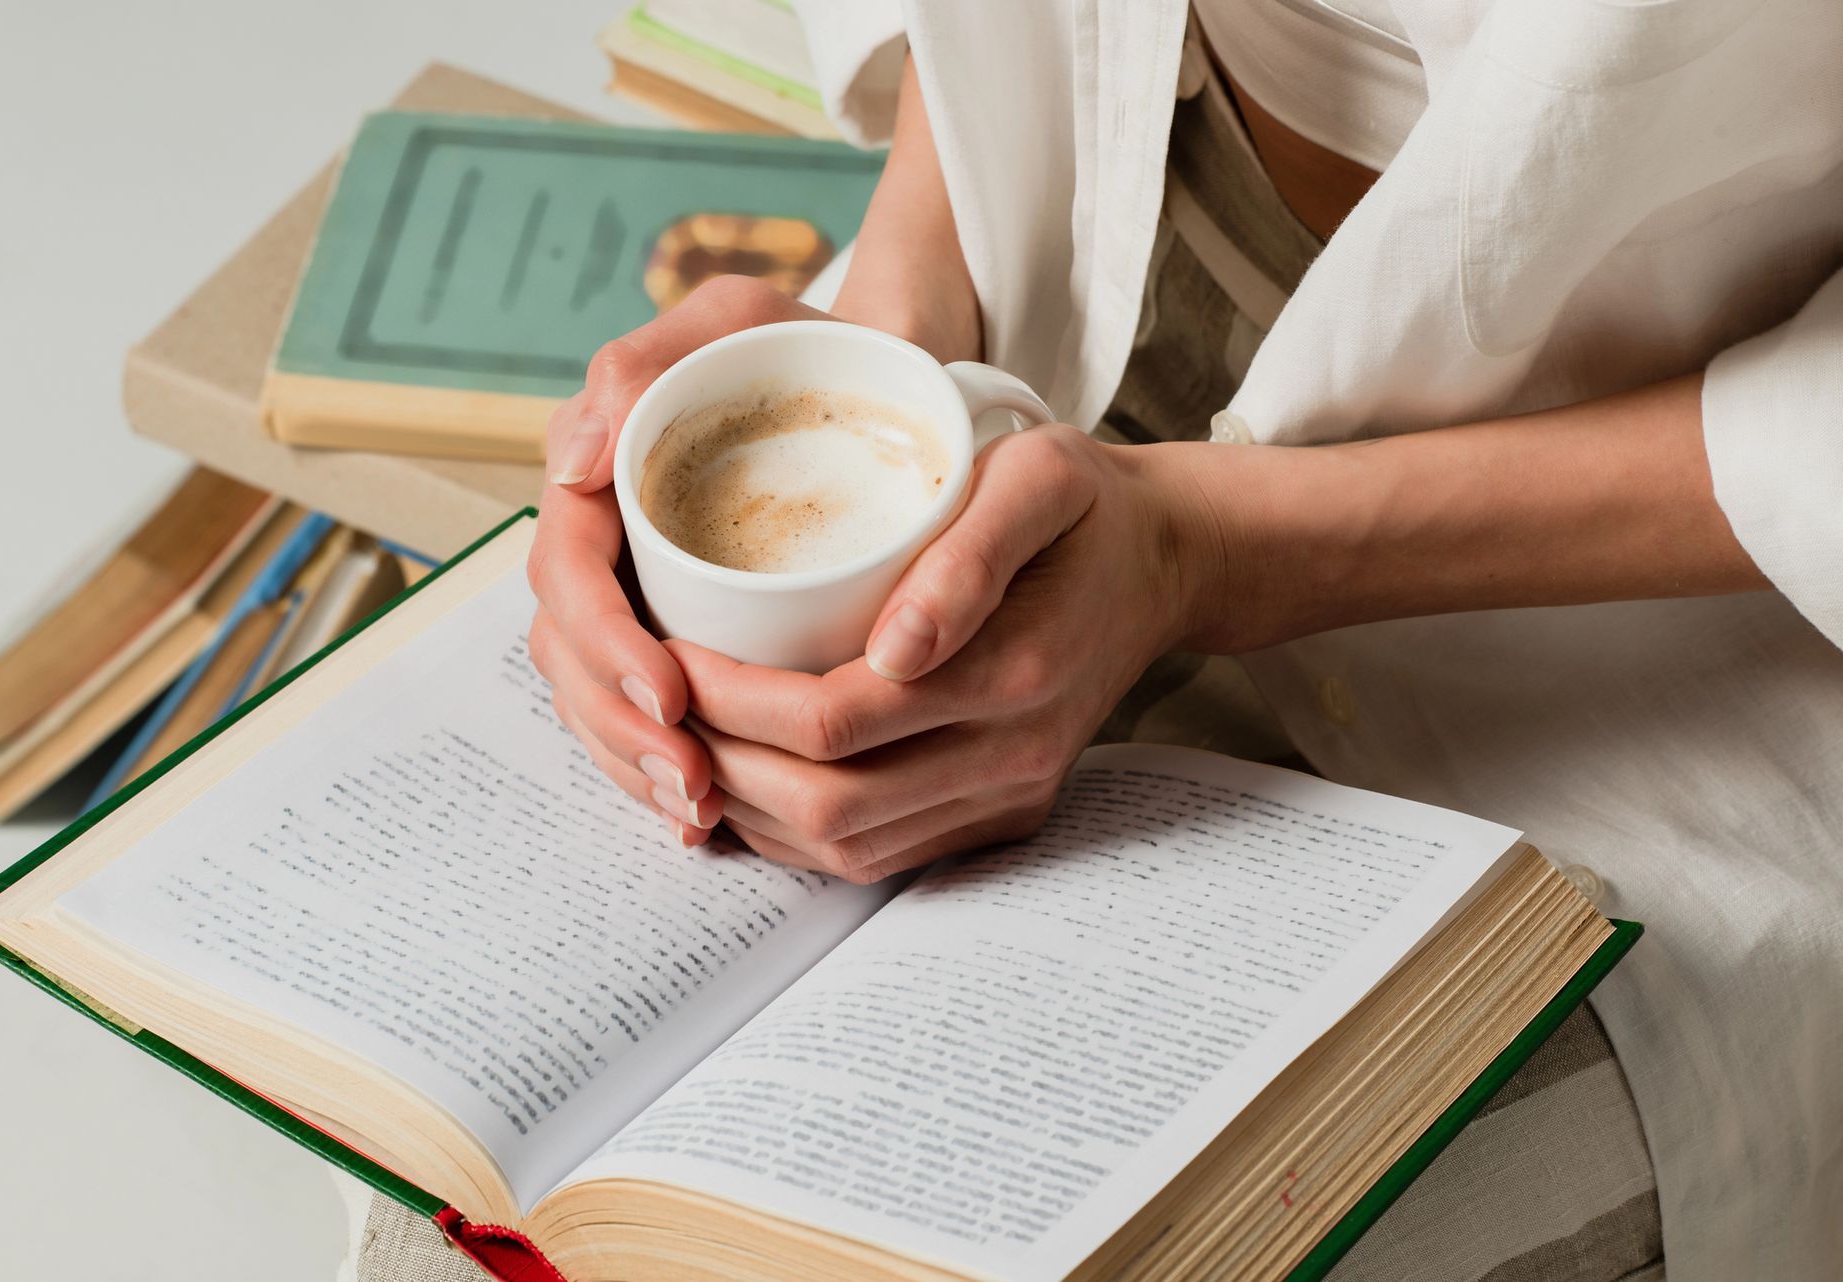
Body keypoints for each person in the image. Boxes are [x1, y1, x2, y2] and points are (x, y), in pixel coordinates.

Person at [348, 1, 1843, 1278]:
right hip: (1087, 274)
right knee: (460, 1231)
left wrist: (1205, 550)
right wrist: (900, 308)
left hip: (1667, 570)